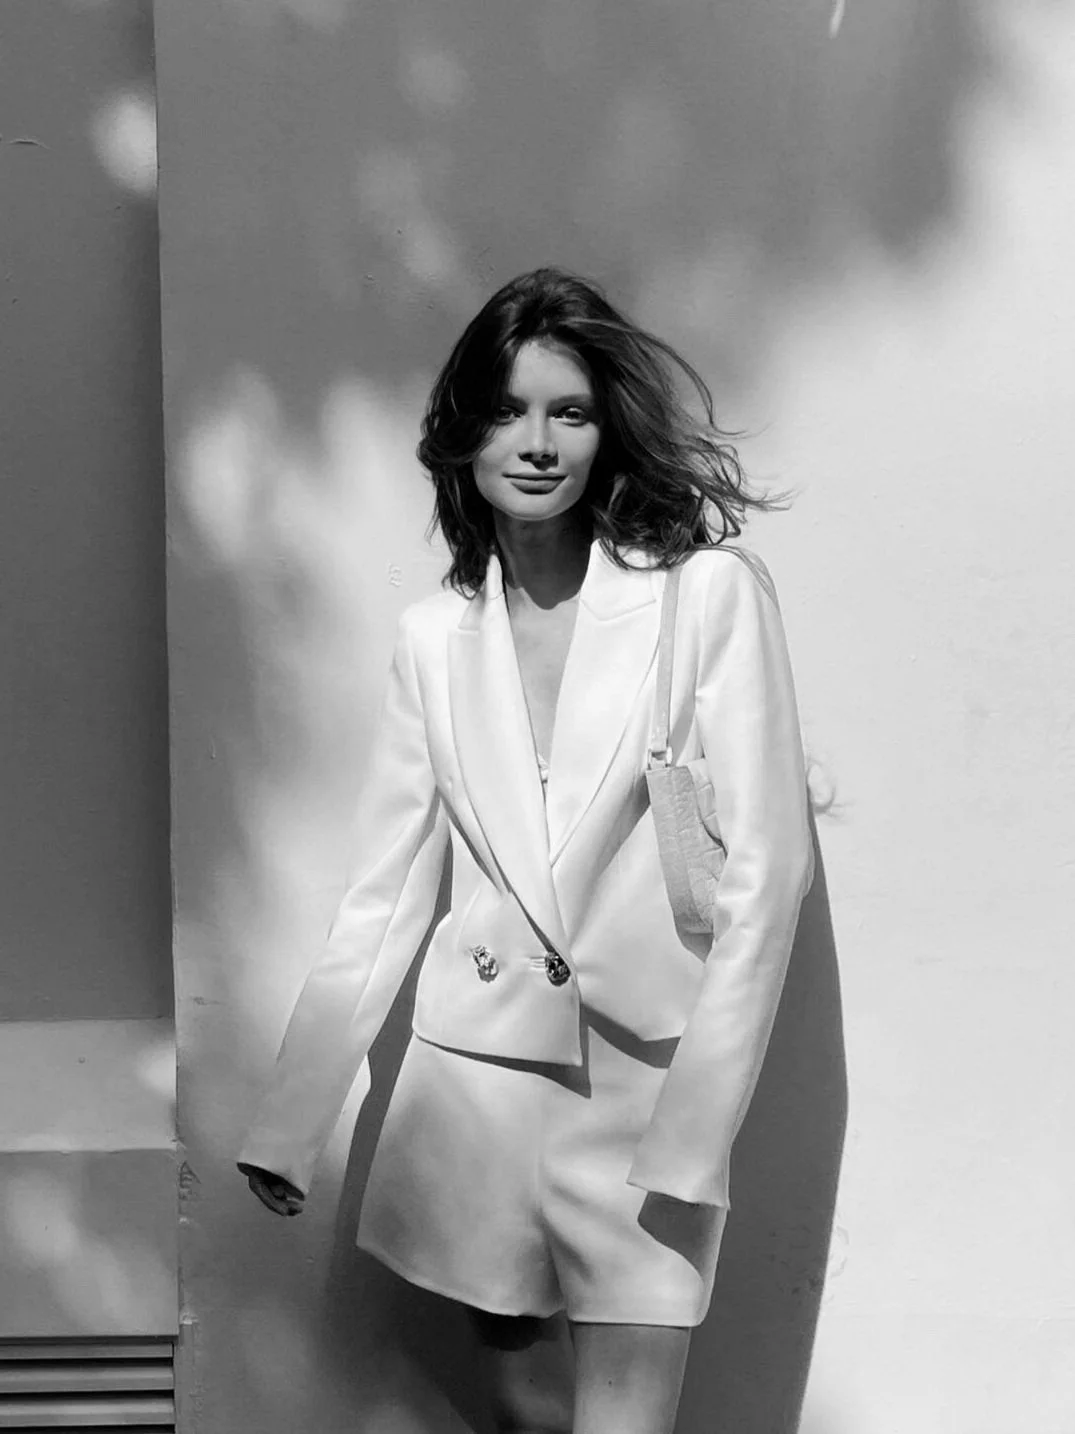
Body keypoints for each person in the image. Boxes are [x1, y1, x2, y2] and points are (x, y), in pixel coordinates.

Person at [238, 267, 814, 1434]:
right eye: (506, 411)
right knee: (513, 1415)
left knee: (624, 1422)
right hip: (477, 1094)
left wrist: (695, 1129)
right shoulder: (431, 641)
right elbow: (384, 893)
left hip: (643, 1092)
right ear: (461, 437)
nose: (538, 442)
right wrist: (290, 1120)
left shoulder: (703, 599)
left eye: (570, 411)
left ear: (608, 432)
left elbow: (765, 876)